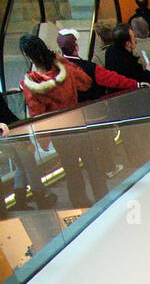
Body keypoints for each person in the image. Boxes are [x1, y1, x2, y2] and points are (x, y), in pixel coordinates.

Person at [18, 34, 102, 207]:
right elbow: (86, 82)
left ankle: (81, 204)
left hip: (60, 132)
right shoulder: (65, 70)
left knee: (71, 169)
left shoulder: (31, 85)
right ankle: (103, 197)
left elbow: (37, 114)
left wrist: (43, 139)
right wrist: (64, 62)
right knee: (93, 164)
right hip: (79, 123)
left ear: (27, 56)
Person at [55, 30, 143, 100]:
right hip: (92, 111)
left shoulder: (55, 68)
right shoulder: (89, 67)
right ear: (76, 47)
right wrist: (136, 84)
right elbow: (112, 79)